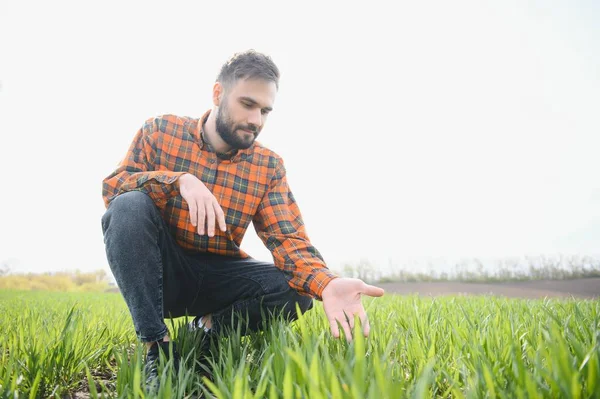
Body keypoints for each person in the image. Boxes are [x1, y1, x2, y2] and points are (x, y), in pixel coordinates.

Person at [101, 49, 384, 384]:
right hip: (164, 274)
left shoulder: (268, 166)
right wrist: (177, 181)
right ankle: (156, 349)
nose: (256, 120)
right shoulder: (160, 131)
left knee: (296, 288)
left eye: (265, 110)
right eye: (248, 104)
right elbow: (114, 189)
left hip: (219, 274)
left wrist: (329, 284)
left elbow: (288, 239)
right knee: (129, 205)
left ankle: (205, 332)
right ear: (218, 93)